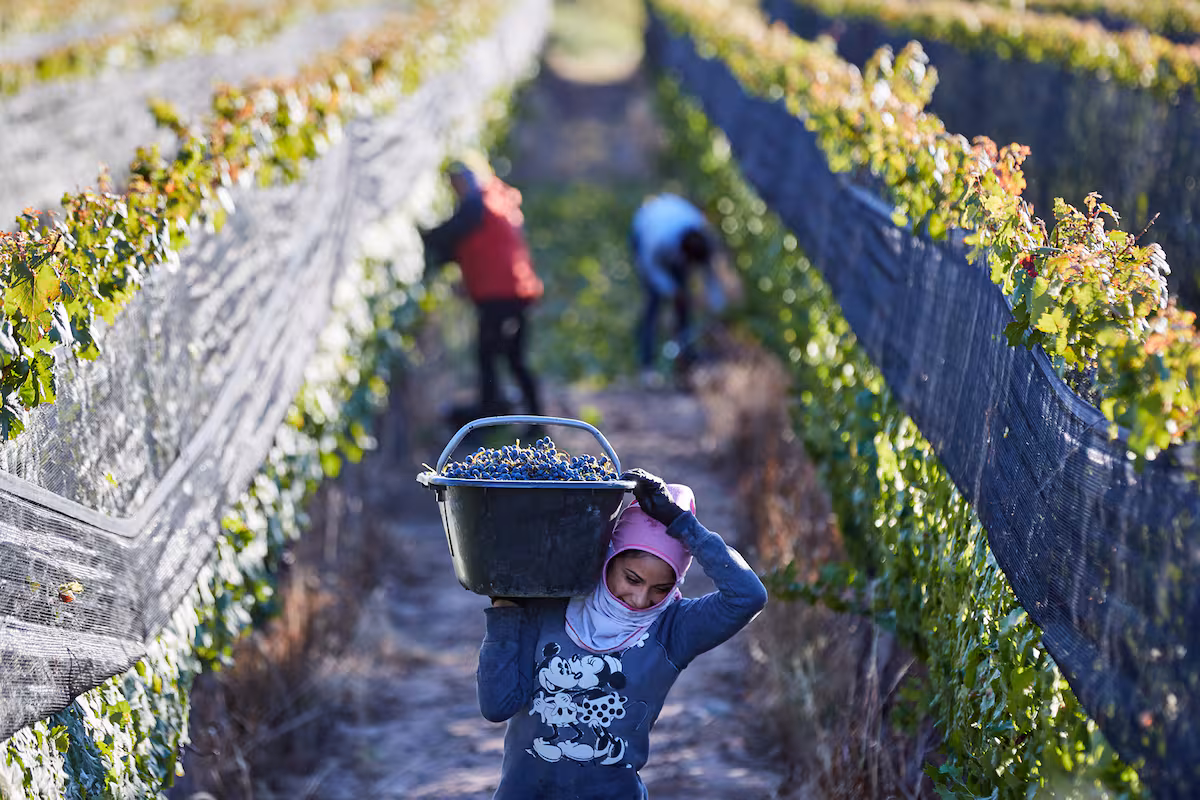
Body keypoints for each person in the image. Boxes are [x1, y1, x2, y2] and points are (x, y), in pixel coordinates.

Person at [477, 468, 768, 800]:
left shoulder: (673, 629)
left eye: (662, 588)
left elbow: (748, 596)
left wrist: (683, 525)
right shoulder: (548, 605)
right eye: (632, 579)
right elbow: (497, 705)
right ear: (608, 559)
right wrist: (504, 611)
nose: (641, 599)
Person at [419, 160, 544, 423]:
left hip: (503, 296)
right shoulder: (493, 204)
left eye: (456, 182)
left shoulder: (477, 204)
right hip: (507, 293)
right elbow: (474, 248)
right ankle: (512, 415)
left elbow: (448, 235)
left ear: (467, 180)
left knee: (500, 357)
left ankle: (512, 418)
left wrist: (421, 236)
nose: (455, 189)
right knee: (500, 356)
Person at [629, 192, 727, 387]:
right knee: (653, 303)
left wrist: (717, 310)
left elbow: (711, 276)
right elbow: (650, 269)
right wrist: (672, 290)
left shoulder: (704, 238)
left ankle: (686, 364)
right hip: (643, 228)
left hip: (670, 219)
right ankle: (647, 367)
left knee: (684, 305)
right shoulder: (657, 241)